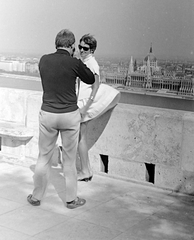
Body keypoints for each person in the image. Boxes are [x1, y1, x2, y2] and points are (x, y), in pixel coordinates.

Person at [27, 29, 95, 209]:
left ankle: (36, 196)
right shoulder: (74, 62)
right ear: (72, 46)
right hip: (69, 116)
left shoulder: (43, 60)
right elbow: (89, 79)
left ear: (56, 43)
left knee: (43, 157)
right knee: (70, 160)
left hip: (48, 114)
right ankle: (71, 199)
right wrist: (78, 62)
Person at [76, 34, 121, 181]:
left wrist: (85, 107)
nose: (82, 50)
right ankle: (86, 170)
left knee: (81, 139)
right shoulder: (85, 62)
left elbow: (95, 87)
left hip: (84, 104)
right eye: (80, 47)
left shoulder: (92, 63)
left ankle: (85, 171)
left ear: (92, 50)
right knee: (80, 138)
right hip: (82, 101)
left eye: (85, 48)